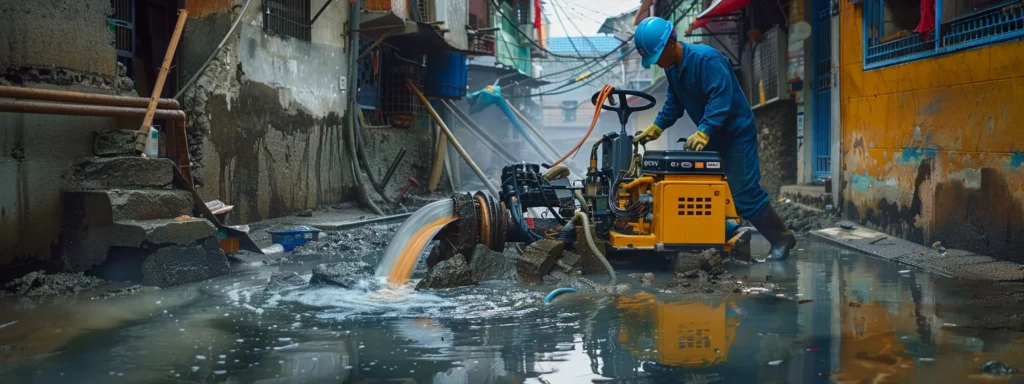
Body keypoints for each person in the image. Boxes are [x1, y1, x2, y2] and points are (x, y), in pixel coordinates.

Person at [631, 16, 796, 261]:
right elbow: (675, 102)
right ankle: (728, 233)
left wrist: (704, 129)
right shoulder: (673, 69)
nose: (659, 63)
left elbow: (722, 97)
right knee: (702, 188)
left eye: (657, 56)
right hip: (712, 136)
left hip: (736, 135)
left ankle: (782, 238)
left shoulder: (706, 59)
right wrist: (657, 127)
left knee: (744, 194)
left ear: (670, 44)